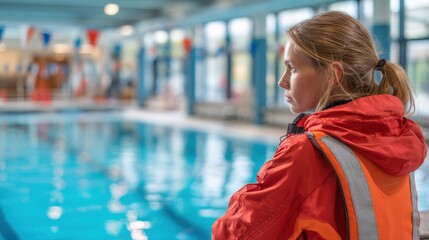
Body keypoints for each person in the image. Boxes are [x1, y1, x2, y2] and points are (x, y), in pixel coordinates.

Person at [212, 11, 427, 240]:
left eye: (292, 68)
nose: (282, 80)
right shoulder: (396, 136)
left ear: (333, 75)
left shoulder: (308, 153)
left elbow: (235, 234)